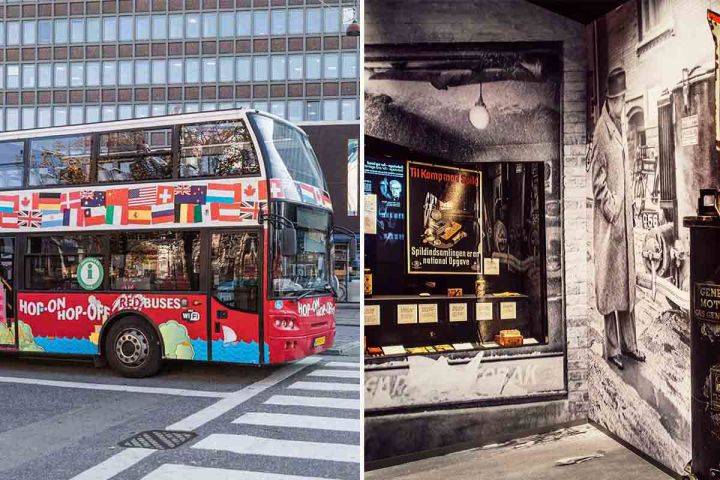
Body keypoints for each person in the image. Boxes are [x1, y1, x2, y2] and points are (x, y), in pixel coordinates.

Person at [590, 67, 646, 370]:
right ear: (609, 101)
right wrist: (613, 213)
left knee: (626, 287)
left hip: (625, 222)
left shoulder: (620, 127)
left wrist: (630, 210)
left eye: (623, 99)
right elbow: (597, 181)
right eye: (617, 99)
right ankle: (612, 349)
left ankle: (630, 345)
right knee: (611, 288)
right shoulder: (602, 131)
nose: (621, 104)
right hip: (611, 227)